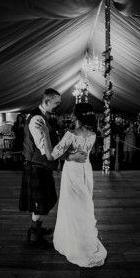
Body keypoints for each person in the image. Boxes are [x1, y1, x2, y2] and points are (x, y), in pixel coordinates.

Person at [19, 89, 86, 249]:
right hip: (37, 166)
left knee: (45, 202)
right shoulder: (37, 119)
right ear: (47, 102)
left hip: (42, 167)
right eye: (56, 103)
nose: (58, 106)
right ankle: (34, 237)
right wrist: (70, 156)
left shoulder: (45, 117)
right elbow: (48, 152)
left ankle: (37, 229)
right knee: (40, 204)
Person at [51, 104, 107, 267]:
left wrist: (69, 156)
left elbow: (54, 154)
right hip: (86, 171)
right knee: (84, 204)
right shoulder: (92, 135)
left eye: (73, 112)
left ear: (76, 116)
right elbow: (86, 153)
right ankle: (85, 239)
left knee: (71, 204)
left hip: (73, 171)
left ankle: (72, 242)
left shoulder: (71, 134)